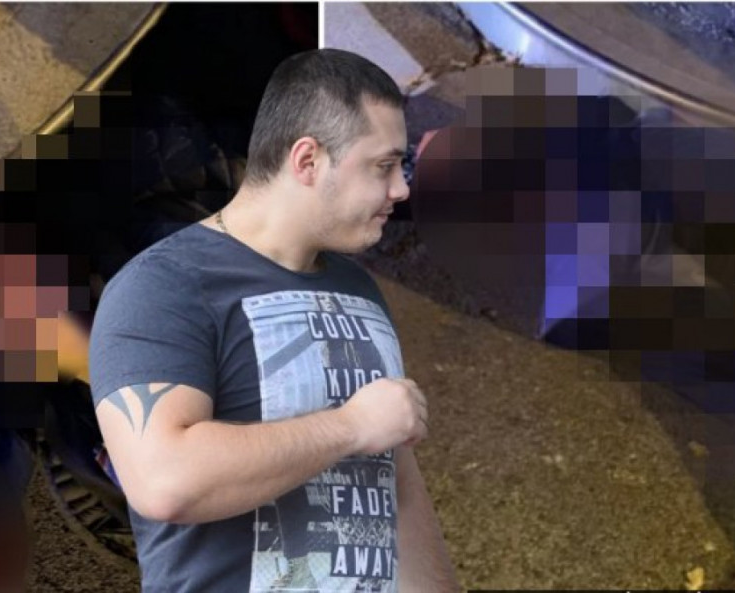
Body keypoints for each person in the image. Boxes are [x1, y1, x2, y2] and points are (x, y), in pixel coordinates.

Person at [89, 48, 459, 592]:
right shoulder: (162, 287)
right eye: (383, 166)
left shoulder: (358, 288)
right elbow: (164, 480)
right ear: (307, 160)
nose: (401, 189)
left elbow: (390, 482)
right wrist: (352, 427)